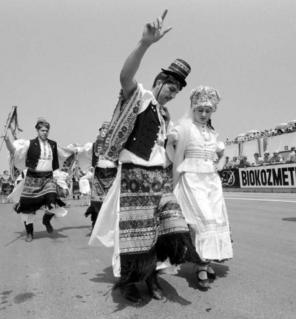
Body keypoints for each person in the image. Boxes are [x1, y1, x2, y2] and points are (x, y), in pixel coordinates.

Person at [90, 11, 195, 302]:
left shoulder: (165, 115)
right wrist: (145, 43)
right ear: (160, 81)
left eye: (176, 92)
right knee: (136, 234)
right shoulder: (142, 97)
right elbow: (125, 76)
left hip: (158, 179)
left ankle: (153, 277)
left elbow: (170, 147)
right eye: (171, 88)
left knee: (168, 226)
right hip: (135, 176)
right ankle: (132, 281)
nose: (172, 95)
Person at [169, 86, 233, 289]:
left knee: (214, 218)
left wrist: (219, 165)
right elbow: (171, 149)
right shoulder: (184, 128)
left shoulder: (212, 133)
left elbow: (222, 155)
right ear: (193, 109)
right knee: (200, 219)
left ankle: (205, 262)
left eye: (208, 111)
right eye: (200, 110)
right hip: (192, 179)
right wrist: (170, 142)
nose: (204, 114)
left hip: (211, 181)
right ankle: (200, 264)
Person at [5, 118, 66, 242]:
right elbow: (13, 151)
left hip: (48, 178)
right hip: (32, 179)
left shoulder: (53, 144)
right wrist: (7, 140)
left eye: (47, 130)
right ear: (37, 131)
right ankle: (29, 232)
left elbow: (62, 156)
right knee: (28, 209)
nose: (45, 132)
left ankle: (46, 220)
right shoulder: (29, 143)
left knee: (53, 201)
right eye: (42, 130)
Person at [85, 121, 118, 230]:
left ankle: (109, 224)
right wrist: (92, 167)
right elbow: (94, 159)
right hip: (99, 173)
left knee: (110, 200)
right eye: (103, 129)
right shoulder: (95, 144)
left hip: (112, 172)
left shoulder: (114, 142)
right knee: (96, 200)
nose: (105, 131)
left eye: (107, 129)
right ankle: (94, 223)